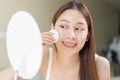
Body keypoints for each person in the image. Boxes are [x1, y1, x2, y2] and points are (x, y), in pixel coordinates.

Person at [0, 1, 110, 80]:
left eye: (78, 29)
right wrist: (31, 48)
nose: (71, 35)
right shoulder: (44, 55)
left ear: (87, 35)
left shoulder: (100, 65)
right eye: (63, 26)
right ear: (52, 28)